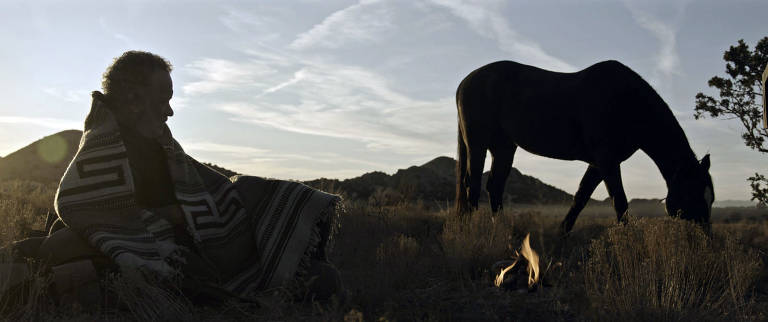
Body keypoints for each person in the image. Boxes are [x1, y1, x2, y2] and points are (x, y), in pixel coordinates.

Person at [8, 51, 345, 307]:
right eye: (164, 100)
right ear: (134, 100)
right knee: (61, 249)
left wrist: (255, 196)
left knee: (320, 274)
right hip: (165, 262)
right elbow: (87, 211)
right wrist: (170, 217)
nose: (169, 111)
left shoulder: (161, 146)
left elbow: (213, 189)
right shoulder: (102, 152)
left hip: (209, 254)